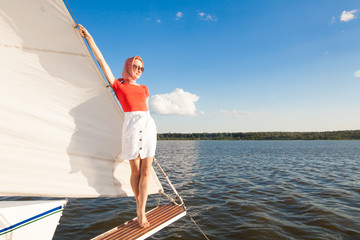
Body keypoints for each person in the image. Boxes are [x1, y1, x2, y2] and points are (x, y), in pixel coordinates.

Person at [77, 24, 157, 228]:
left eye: (141, 67)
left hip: (148, 126)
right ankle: (139, 206)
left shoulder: (145, 88)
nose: (138, 70)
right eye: (135, 66)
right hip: (131, 126)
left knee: (147, 171)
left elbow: (147, 111)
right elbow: (101, 61)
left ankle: (141, 210)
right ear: (128, 66)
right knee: (136, 171)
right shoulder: (118, 85)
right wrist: (89, 38)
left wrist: (151, 128)